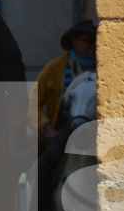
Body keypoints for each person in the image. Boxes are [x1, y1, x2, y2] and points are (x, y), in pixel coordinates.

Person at [36, 19, 97, 150]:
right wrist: (45, 127)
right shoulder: (54, 68)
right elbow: (32, 103)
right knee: (46, 164)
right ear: (73, 41)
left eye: (94, 40)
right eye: (86, 40)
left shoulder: (105, 67)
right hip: (61, 131)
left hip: (96, 132)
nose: (92, 45)